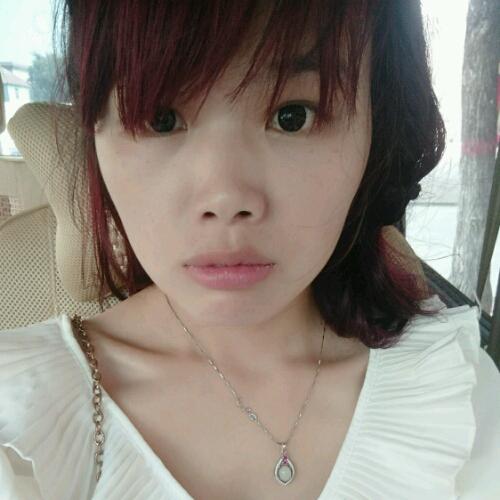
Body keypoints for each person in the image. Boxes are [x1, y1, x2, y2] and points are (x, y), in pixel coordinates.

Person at [1, 1, 499, 499]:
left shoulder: (456, 397)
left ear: (376, 129)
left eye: (292, 116)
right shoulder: (17, 427)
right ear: (95, 133)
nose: (225, 198)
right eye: (161, 119)